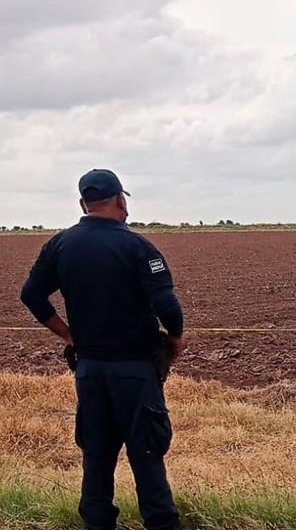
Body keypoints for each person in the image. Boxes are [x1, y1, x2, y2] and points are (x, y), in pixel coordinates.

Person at [20, 169, 184, 530]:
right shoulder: (138, 246)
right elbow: (168, 306)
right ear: (121, 201)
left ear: (83, 203)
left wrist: (67, 334)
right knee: (147, 457)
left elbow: (31, 295)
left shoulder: (60, 245)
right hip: (136, 371)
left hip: (89, 369)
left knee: (96, 457)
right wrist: (174, 340)